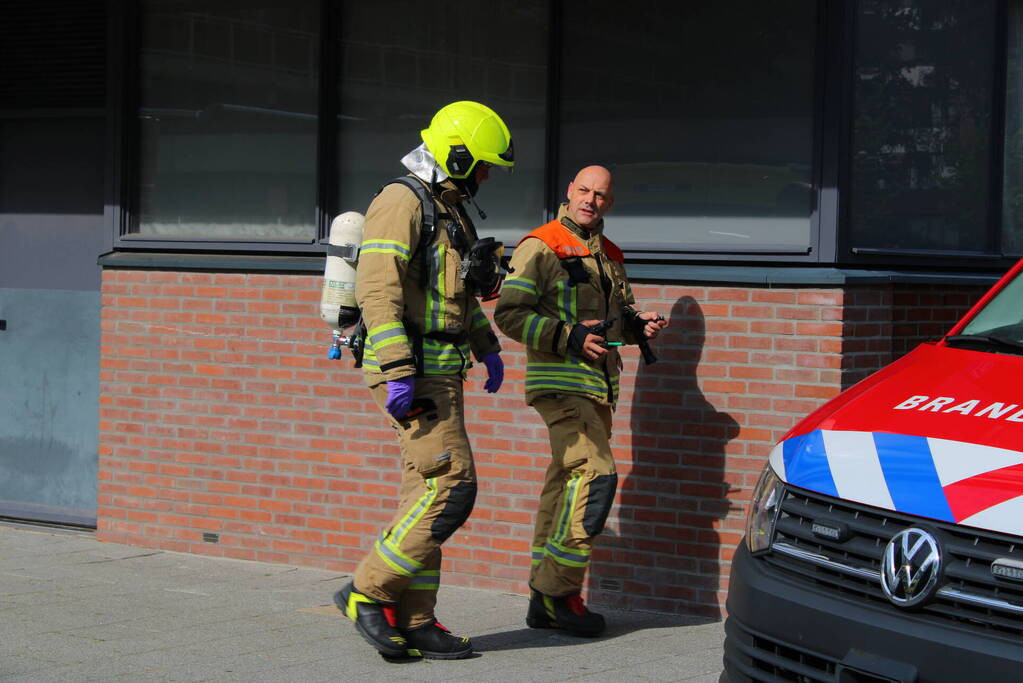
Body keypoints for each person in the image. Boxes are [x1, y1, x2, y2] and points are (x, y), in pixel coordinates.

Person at [334, 101, 514, 660]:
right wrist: (395, 370)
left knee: (424, 495)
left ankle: (416, 620)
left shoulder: (449, 210)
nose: (486, 175)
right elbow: (377, 290)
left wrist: (487, 348)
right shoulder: (400, 202)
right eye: (481, 164)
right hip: (414, 373)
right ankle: (367, 590)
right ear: (456, 155)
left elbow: (454, 294)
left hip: (441, 370)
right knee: (454, 487)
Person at [494, 165, 668, 637]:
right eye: (584, 191)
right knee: (595, 477)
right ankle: (558, 593)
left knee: (564, 486)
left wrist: (638, 324)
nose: (591, 200)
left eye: (601, 195)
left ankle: (543, 599)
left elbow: (616, 317)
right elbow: (509, 314)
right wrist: (566, 337)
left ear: (610, 203)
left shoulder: (609, 253)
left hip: (597, 391)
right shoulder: (541, 245)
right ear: (569, 191)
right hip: (562, 387)